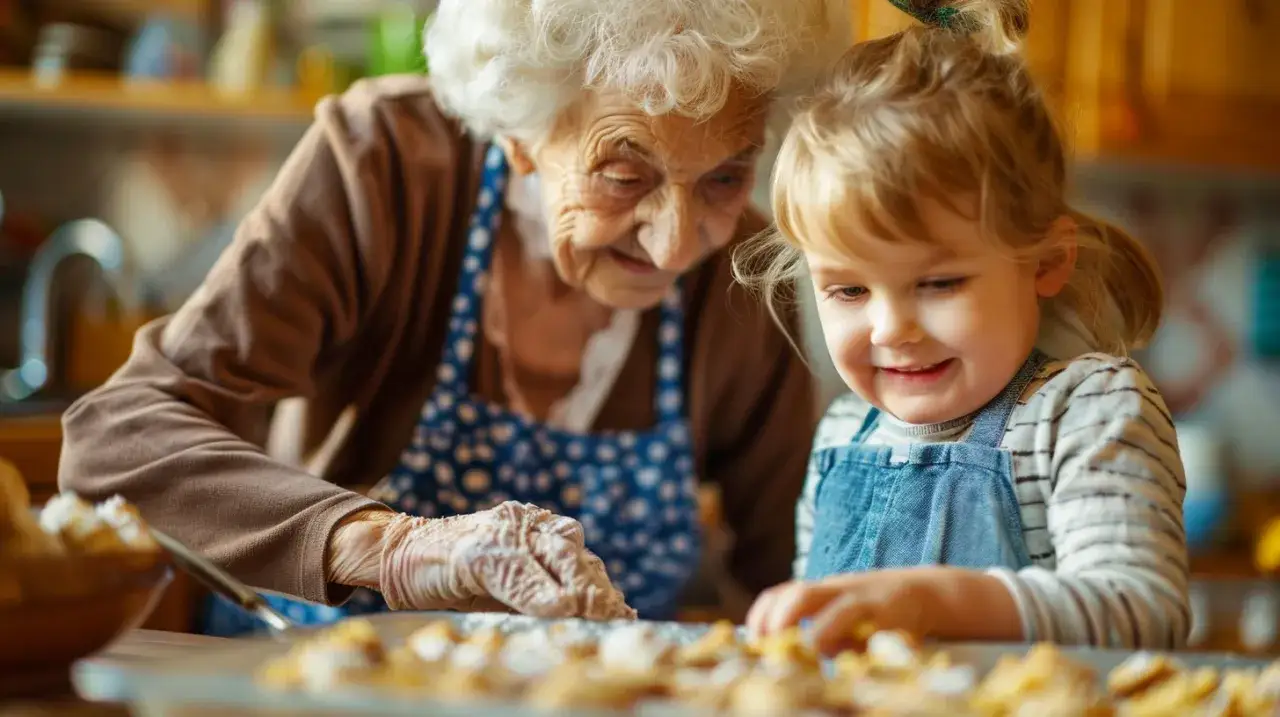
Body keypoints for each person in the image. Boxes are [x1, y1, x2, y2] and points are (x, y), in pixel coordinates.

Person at [57, 0, 856, 634]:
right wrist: (395, 548)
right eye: (622, 174)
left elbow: (788, 575)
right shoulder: (386, 166)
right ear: (520, 132)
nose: (680, 242)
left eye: (725, 176)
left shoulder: (746, 269)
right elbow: (115, 440)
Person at [739, 0, 1190, 654]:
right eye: (848, 289)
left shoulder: (1087, 411)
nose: (891, 327)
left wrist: (926, 601)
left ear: (1046, 262)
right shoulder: (843, 433)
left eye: (939, 282)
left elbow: (1139, 607)